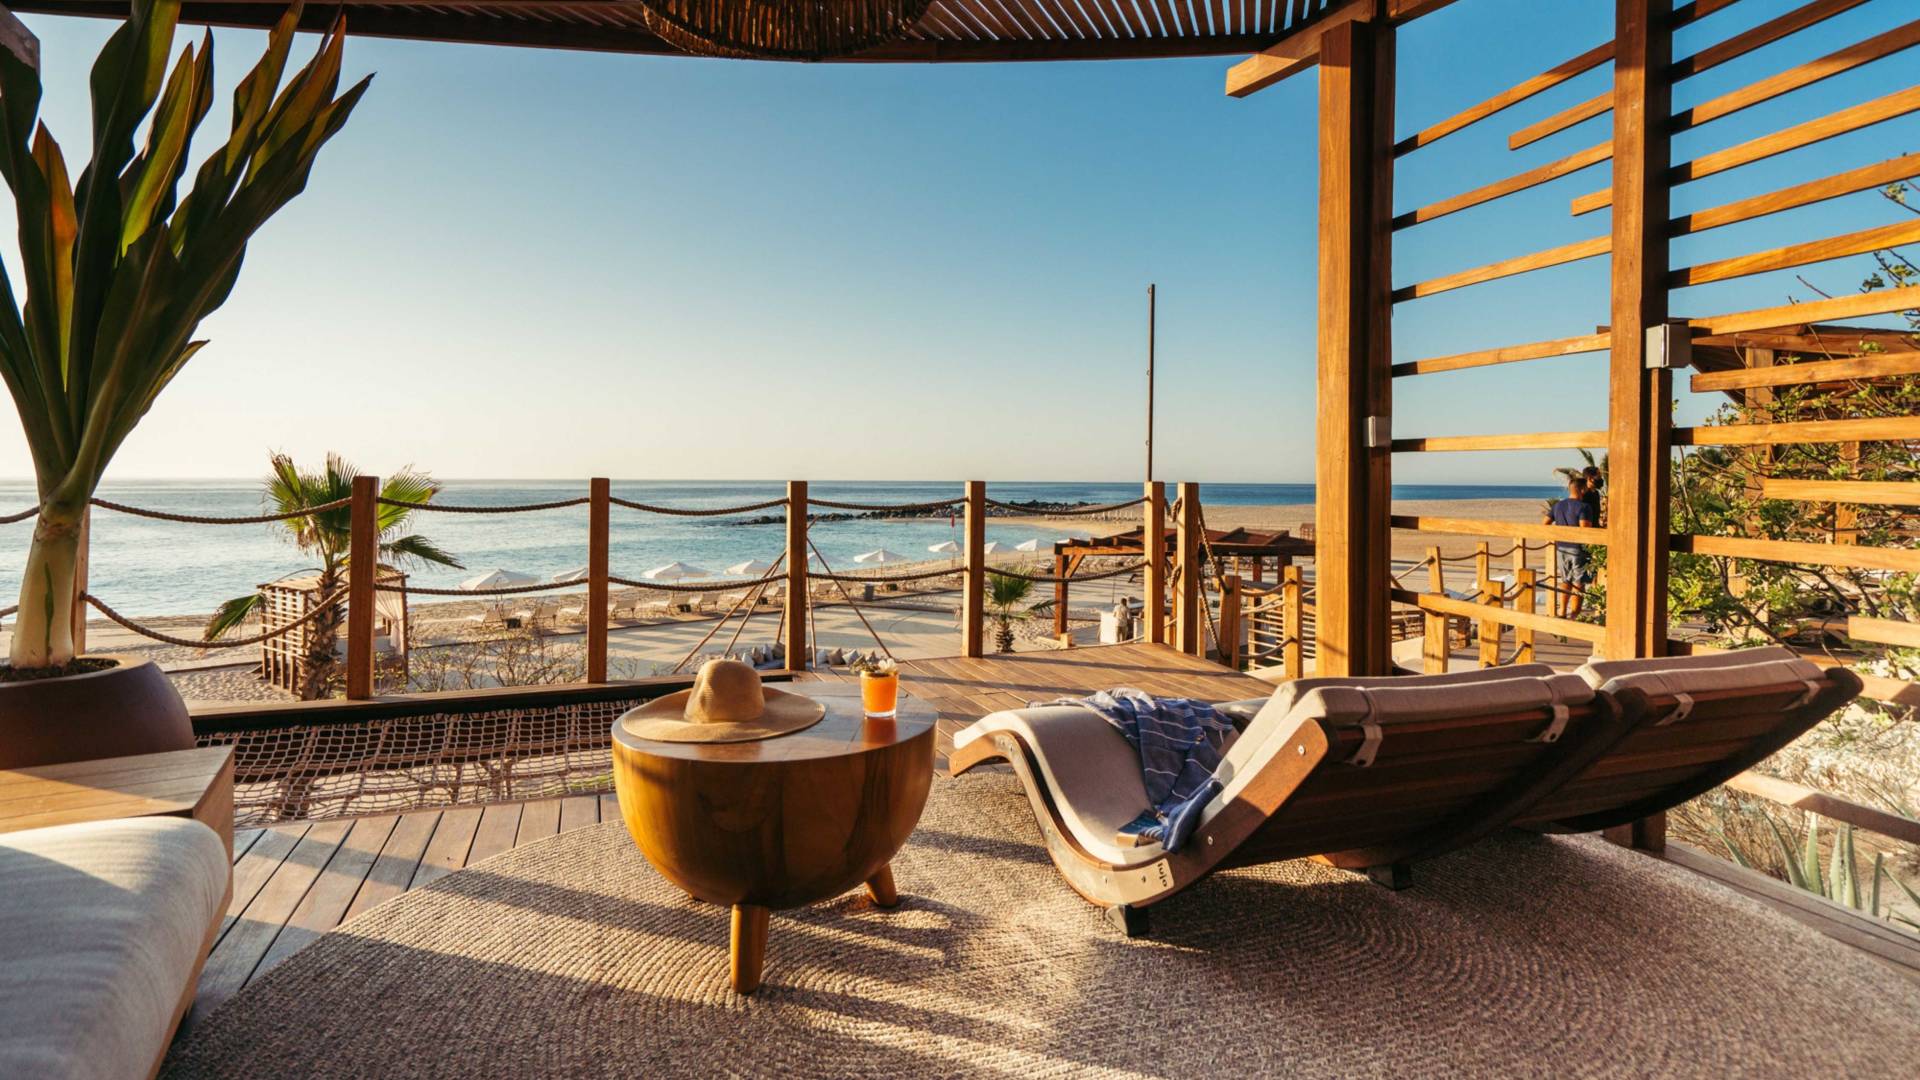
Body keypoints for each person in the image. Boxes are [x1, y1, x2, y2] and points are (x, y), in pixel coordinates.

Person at [1544, 476, 1599, 619]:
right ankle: (1574, 615)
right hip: (1577, 549)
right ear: (1582, 490)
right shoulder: (1584, 507)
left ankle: (1562, 611)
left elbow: (1545, 523)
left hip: (1561, 548)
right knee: (1579, 583)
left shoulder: (1557, 506)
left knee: (1566, 581)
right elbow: (1585, 530)